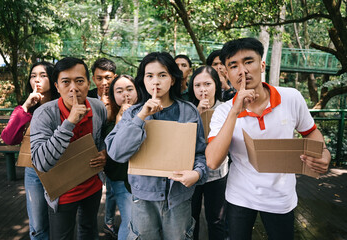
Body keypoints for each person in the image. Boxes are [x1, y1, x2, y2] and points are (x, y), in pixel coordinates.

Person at [205, 38, 331, 240]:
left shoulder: (291, 97)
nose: (242, 71)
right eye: (233, 66)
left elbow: (310, 132)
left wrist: (324, 153)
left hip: (281, 197)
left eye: (248, 61)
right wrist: (235, 110)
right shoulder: (223, 112)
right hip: (240, 196)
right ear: (226, 73)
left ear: (262, 64)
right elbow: (212, 161)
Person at [105, 52, 208, 239]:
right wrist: (141, 117)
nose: (156, 82)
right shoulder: (133, 114)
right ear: (142, 80)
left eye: (162, 75)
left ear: (173, 79)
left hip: (179, 198)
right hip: (143, 199)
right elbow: (116, 152)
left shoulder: (189, 112)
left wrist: (197, 173)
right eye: (149, 76)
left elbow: (200, 153)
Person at [30, 57, 108, 239]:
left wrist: (104, 152)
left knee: (89, 231)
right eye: (66, 82)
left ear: (89, 84)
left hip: (92, 185)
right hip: (62, 191)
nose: (73, 88)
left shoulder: (97, 107)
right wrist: (69, 122)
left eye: (79, 81)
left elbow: (103, 137)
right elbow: (41, 163)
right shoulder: (44, 114)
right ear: (57, 87)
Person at [1, 61, 59, 240]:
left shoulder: (63, 105)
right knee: (38, 224)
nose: (37, 80)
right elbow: (9, 139)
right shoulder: (26, 107)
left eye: (43, 75)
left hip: (60, 169)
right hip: (33, 171)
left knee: (61, 221)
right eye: (33, 76)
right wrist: (26, 106)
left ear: (54, 79)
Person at [188, 66, 228, 240]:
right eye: (197, 85)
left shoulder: (226, 109)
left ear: (216, 86)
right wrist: (198, 113)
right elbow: (181, 140)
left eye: (207, 84)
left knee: (217, 220)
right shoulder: (188, 109)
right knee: (191, 218)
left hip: (218, 173)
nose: (202, 89)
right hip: (193, 172)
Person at [104, 74, 138, 240]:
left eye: (130, 89)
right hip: (120, 178)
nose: (126, 94)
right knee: (130, 221)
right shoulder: (109, 120)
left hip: (142, 178)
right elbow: (113, 153)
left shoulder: (147, 113)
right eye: (120, 91)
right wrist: (120, 121)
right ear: (113, 96)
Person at [89, 57, 118, 238]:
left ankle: (109, 221)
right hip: (92, 153)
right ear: (93, 79)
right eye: (99, 78)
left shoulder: (120, 95)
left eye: (108, 77)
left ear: (114, 77)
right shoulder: (89, 97)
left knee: (114, 189)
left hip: (114, 152)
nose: (104, 82)